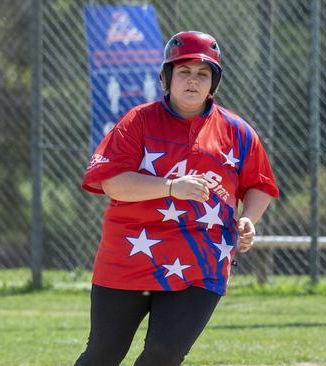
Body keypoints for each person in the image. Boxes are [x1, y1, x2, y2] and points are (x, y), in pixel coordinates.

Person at [75, 31, 279, 365]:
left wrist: (248, 219)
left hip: (202, 261)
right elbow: (112, 182)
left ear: (214, 83)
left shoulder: (236, 131)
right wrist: (170, 187)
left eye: (203, 74)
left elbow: (260, 184)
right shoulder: (137, 122)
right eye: (184, 72)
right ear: (166, 78)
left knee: (163, 354)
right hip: (130, 255)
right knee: (103, 353)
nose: (193, 81)